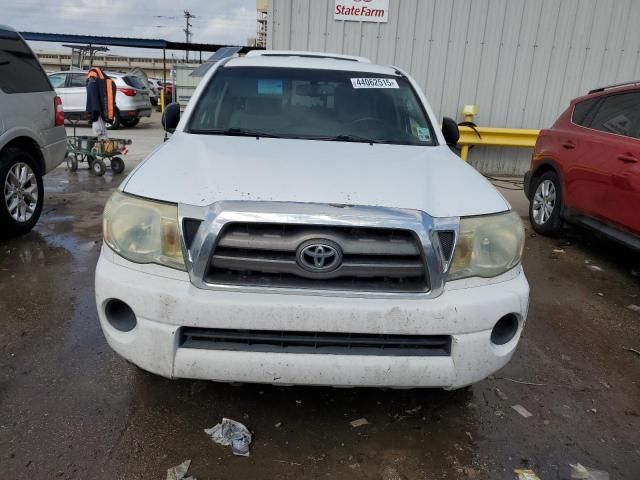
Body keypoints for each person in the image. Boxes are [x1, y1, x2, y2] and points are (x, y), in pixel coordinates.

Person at [86, 67, 116, 138]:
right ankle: (104, 147)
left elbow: (92, 93)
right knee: (102, 134)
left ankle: (102, 147)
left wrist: (94, 110)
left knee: (99, 133)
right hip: (101, 110)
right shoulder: (101, 77)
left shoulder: (92, 74)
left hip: (97, 112)